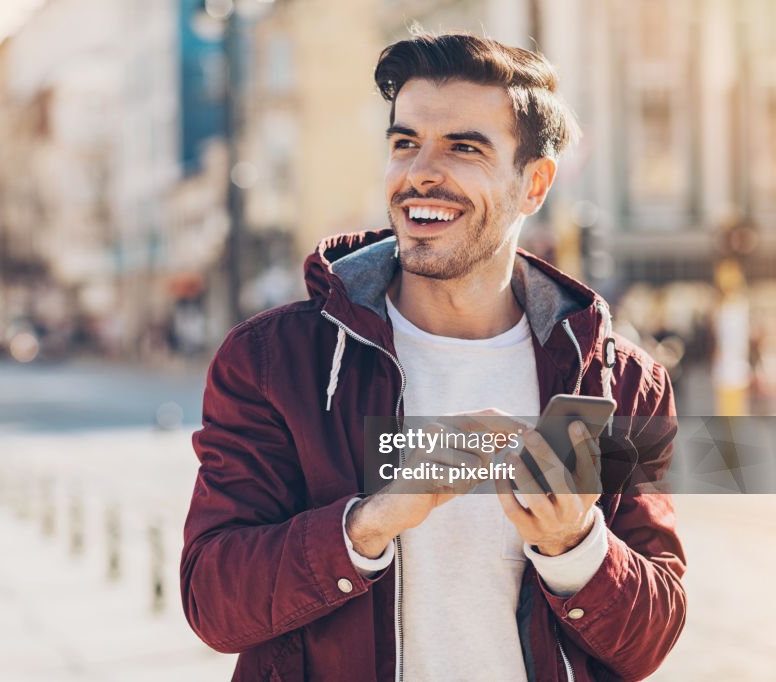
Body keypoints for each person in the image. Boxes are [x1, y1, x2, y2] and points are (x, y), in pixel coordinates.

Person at [181, 32, 685, 681]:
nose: (419, 170)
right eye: (405, 142)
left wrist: (575, 546)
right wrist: (364, 525)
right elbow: (212, 605)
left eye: (463, 147)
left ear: (534, 183)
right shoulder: (276, 362)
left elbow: (651, 639)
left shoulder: (613, 381)